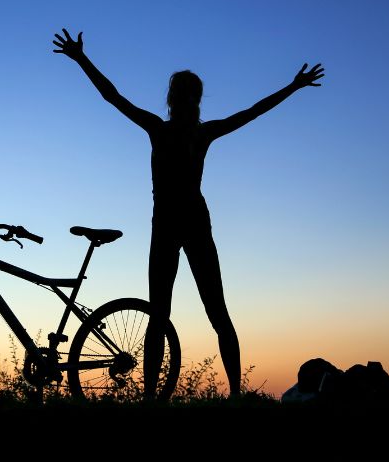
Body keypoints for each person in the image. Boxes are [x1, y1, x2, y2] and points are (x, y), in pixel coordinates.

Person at [52, 28, 325, 398]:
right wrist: (292, 87)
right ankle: (207, 396)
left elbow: (113, 97)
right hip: (178, 223)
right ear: (191, 99)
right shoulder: (189, 132)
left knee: (181, 314)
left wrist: (81, 59)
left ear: (175, 99)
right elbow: (251, 112)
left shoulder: (172, 130)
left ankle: (195, 396)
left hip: (179, 223)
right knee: (189, 314)